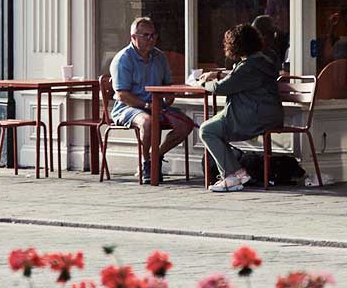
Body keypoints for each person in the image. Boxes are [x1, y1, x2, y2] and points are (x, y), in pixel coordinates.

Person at [198, 23, 284, 193]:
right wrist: (219, 74)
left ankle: (230, 176)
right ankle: (238, 172)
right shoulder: (265, 60)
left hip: (253, 116)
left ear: (235, 46)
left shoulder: (249, 67)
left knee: (207, 130)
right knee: (214, 126)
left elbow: (220, 88)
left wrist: (201, 83)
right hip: (269, 114)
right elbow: (236, 78)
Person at [109, 16, 195, 182]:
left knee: (186, 125)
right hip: (128, 107)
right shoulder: (123, 59)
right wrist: (147, 104)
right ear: (133, 37)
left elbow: (167, 85)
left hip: (156, 105)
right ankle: (146, 163)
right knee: (148, 122)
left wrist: (170, 96)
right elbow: (122, 94)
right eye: (146, 36)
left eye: (153, 35)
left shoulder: (160, 56)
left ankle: (155, 155)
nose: (151, 39)